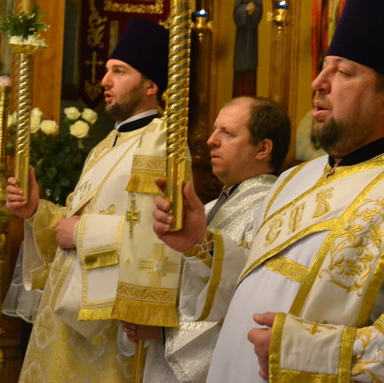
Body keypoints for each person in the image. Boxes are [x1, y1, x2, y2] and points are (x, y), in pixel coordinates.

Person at [154, 0, 384, 382]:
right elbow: (260, 280)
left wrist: (302, 352)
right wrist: (202, 245)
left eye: (343, 72)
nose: (318, 83)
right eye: (323, 68)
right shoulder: (296, 179)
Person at [5, 17, 170, 382]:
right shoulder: (105, 145)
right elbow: (71, 221)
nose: (105, 81)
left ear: (151, 85)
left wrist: (82, 233)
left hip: (107, 325)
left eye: (119, 71)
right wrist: (36, 211)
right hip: (67, 311)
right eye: (108, 70)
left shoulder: (160, 144)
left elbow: (158, 236)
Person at [121, 96, 291, 382]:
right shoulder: (209, 208)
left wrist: (166, 331)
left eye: (228, 133)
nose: (211, 140)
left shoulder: (275, 211)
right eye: (214, 130)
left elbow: (250, 300)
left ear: (263, 148)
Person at [232, 0, 263, 97]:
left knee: (250, 63)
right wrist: (245, 9)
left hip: (252, 29)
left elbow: (260, 5)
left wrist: (254, 9)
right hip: (242, 30)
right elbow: (236, 8)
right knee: (240, 63)